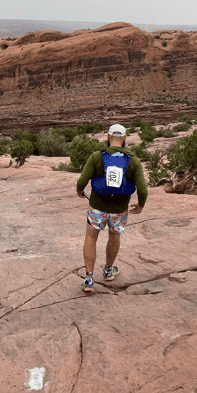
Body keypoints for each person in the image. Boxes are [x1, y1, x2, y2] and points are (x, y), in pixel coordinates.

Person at [76, 123, 147, 292]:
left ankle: (88, 279)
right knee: (114, 236)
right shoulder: (133, 160)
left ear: (108, 137)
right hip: (119, 210)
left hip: (97, 207)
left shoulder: (96, 156)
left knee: (91, 237)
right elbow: (143, 190)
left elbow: (81, 181)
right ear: (124, 139)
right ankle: (108, 271)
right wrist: (141, 205)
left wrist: (80, 190)